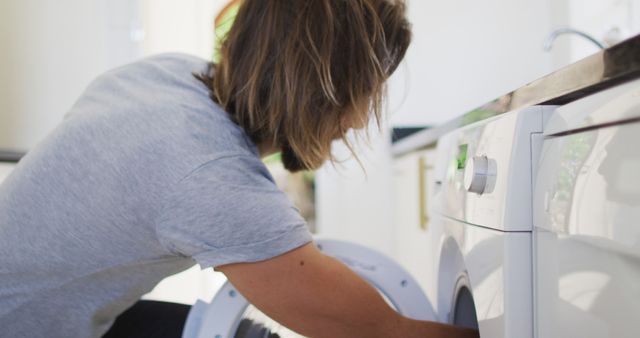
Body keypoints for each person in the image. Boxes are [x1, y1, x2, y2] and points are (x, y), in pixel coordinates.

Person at [0, 0, 479, 337]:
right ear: (322, 87)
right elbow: (380, 331)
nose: (357, 123)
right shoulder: (206, 171)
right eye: (367, 94)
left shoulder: (165, 75)